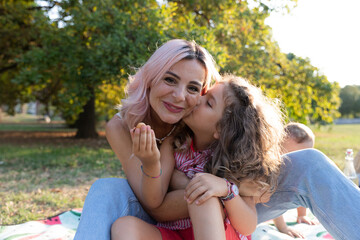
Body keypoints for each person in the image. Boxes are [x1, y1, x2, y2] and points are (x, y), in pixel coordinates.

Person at [74, 39, 360, 240]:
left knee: (309, 161)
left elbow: (238, 116)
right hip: (170, 212)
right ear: (150, 78)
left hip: (226, 211)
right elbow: (155, 205)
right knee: (105, 190)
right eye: (169, 80)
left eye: (195, 89)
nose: (180, 97)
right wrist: (211, 185)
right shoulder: (128, 130)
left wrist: (232, 187)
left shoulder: (208, 121)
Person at [110, 75, 284, 240]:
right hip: (177, 234)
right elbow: (154, 200)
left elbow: (248, 226)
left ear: (222, 129)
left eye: (208, 103)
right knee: (124, 227)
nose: (197, 99)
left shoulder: (235, 163)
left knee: (203, 196)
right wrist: (150, 163)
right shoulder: (175, 144)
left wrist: (227, 190)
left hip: (219, 233)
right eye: (203, 94)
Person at [272, 122, 318, 238]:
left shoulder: (299, 166)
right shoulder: (272, 167)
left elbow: (301, 187)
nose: (300, 160)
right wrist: (283, 227)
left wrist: (301, 215)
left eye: (307, 154)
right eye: (294, 155)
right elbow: (270, 202)